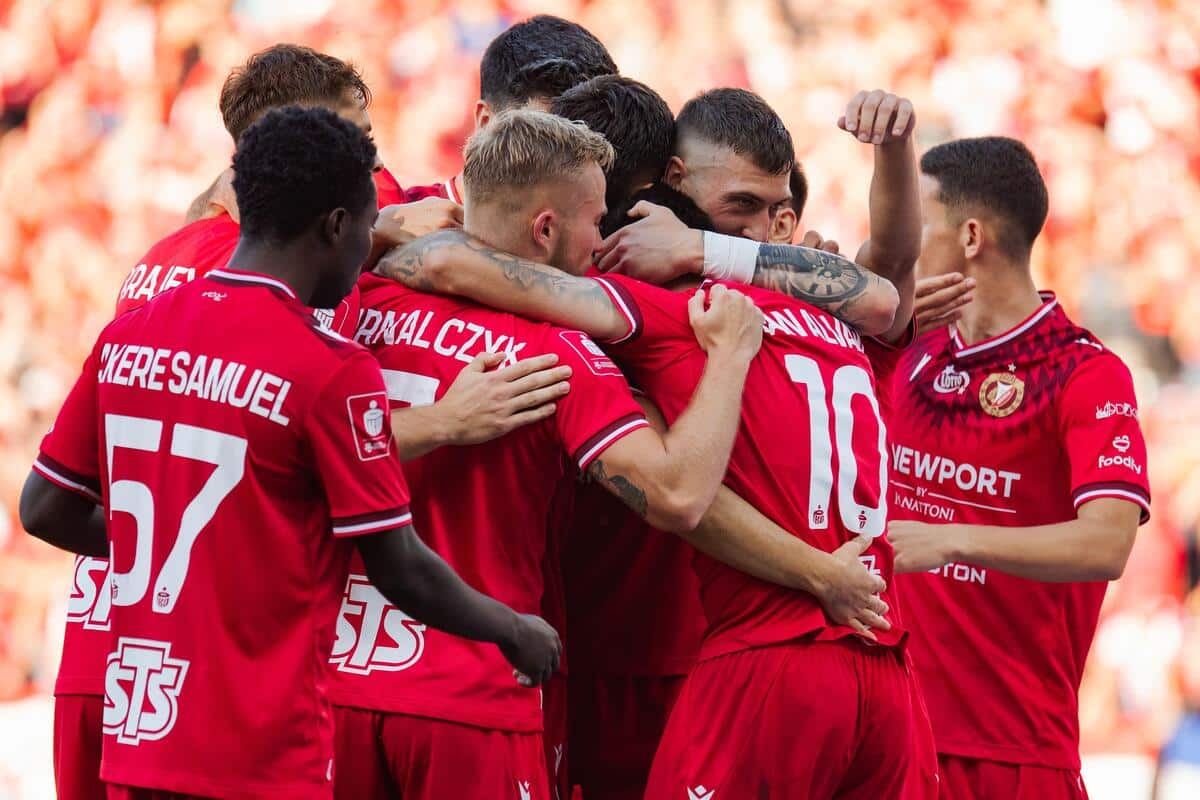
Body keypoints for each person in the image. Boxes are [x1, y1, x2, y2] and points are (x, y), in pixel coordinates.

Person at [49, 44, 567, 800]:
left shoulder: (145, 304)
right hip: (244, 722)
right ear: (333, 219)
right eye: (368, 213)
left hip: (126, 690)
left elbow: (49, 504)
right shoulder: (318, 356)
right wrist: (511, 626)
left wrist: (164, 547)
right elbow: (388, 554)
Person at [329, 109, 766, 800]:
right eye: (595, 220)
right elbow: (677, 495)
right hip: (469, 691)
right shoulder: (550, 352)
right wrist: (730, 356)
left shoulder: (359, 299)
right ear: (545, 229)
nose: (603, 239)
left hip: (329, 686)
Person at [887, 136, 1152, 799]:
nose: (902, 240)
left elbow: (1108, 542)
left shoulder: (1085, 373)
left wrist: (951, 539)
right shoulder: (910, 351)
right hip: (892, 738)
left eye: (919, 221)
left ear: (970, 236)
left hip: (1012, 755)